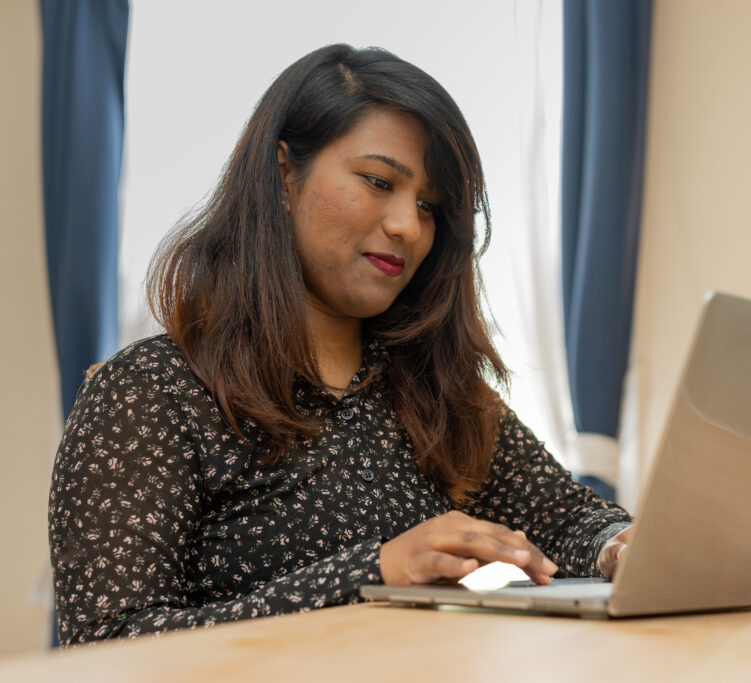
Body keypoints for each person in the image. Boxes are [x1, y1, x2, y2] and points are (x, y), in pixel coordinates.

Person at [48, 44, 632, 647]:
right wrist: (371, 574)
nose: (409, 225)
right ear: (284, 172)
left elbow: (569, 521)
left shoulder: (437, 391)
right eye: (379, 182)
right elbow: (107, 645)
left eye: (430, 207)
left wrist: (619, 546)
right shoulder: (152, 393)